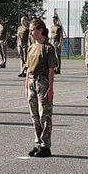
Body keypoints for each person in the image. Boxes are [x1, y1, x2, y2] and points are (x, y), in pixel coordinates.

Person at [25, 19, 58, 157]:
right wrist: (26, 86)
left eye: (32, 30)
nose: (30, 33)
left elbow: (51, 70)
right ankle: (37, 143)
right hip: (32, 82)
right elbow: (28, 69)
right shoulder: (31, 47)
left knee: (45, 114)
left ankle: (45, 146)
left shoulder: (48, 48)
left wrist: (50, 88)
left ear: (40, 30)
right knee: (34, 116)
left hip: (42, 82)